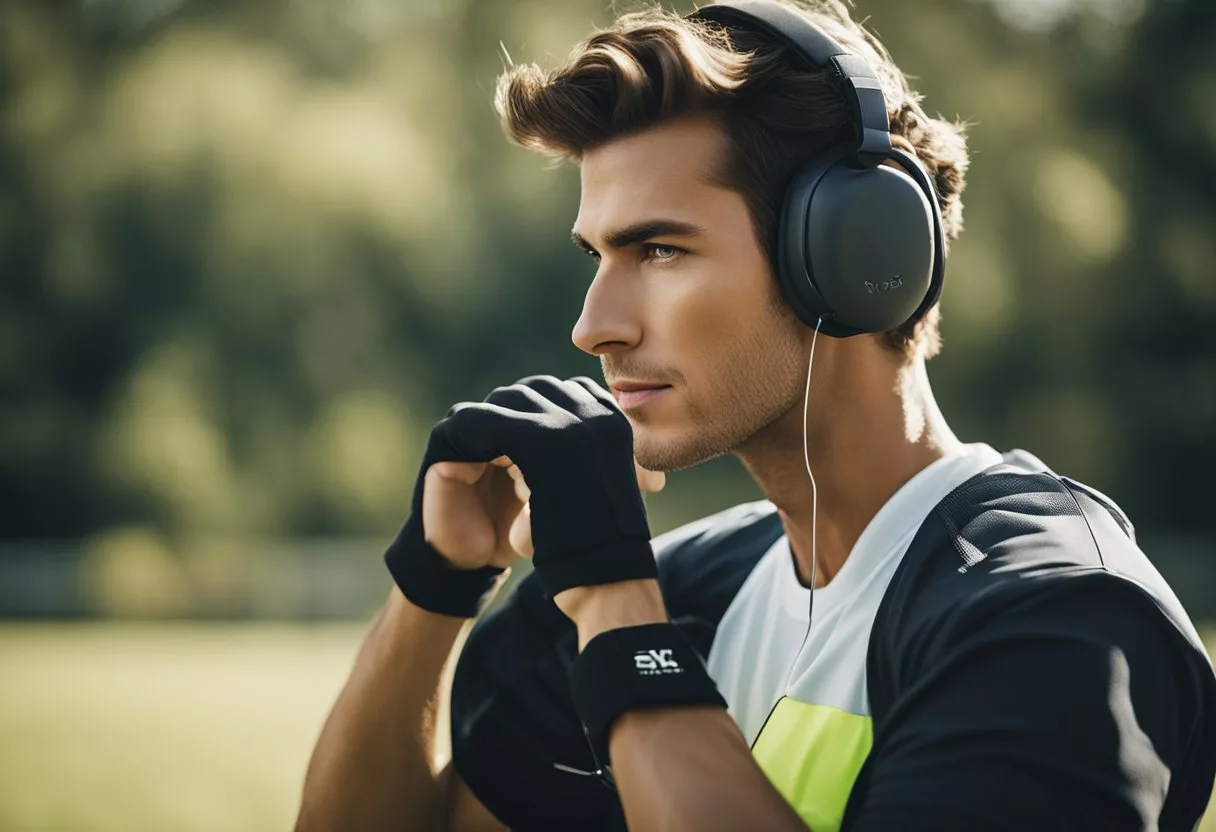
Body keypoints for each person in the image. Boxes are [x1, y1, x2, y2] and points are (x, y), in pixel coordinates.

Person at [295, 1, 1216, 830]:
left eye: (658, 248)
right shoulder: (670, 592)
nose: (591, 327)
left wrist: (619, 607)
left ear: (854, 257)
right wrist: (434, 585)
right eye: (596, 256)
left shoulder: (1057, 623)